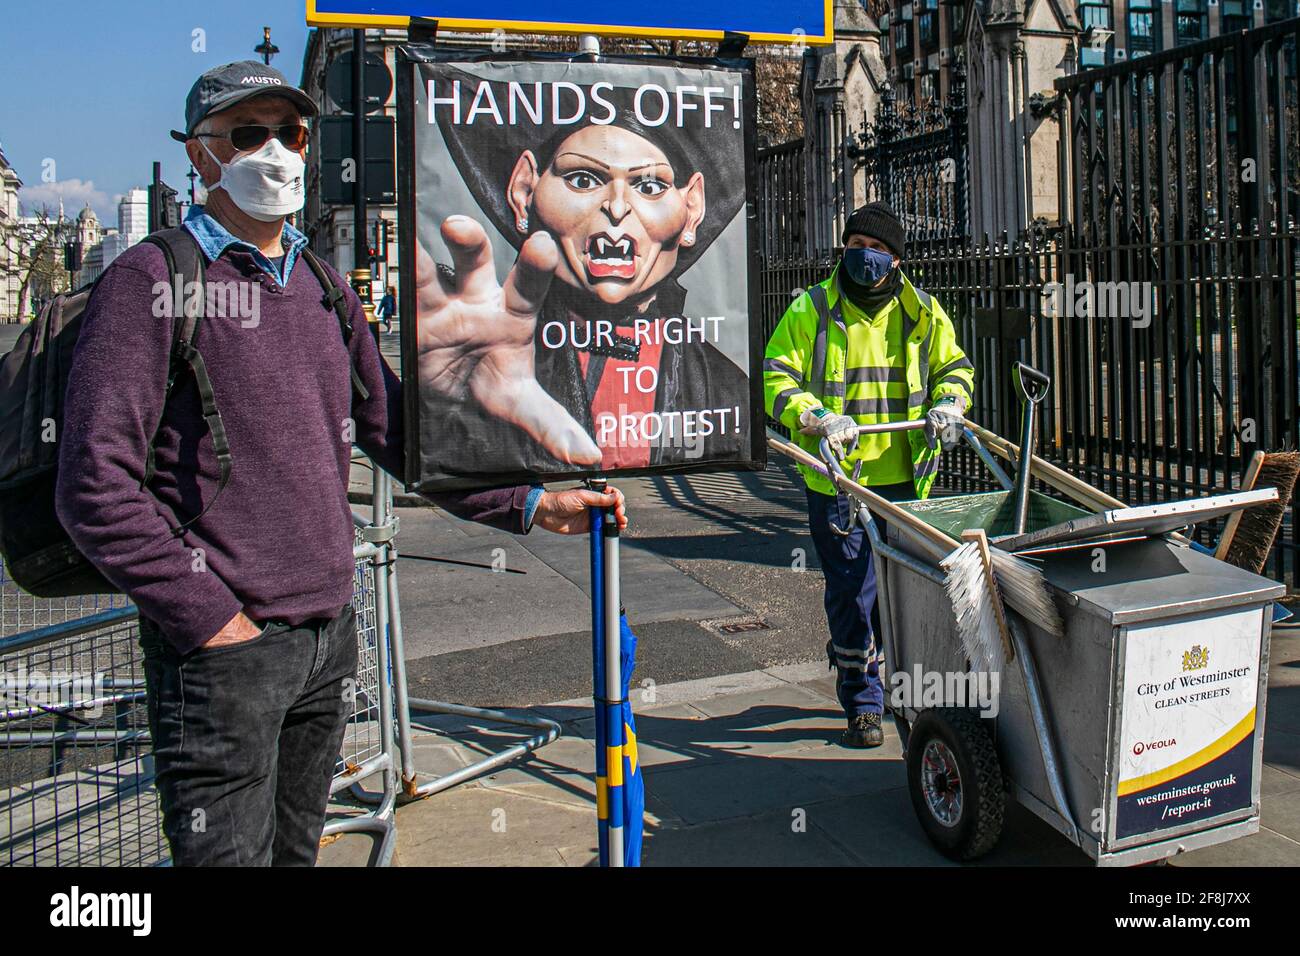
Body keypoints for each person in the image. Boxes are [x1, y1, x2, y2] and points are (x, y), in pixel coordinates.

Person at [53, 61, 627, 866]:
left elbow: (394, 431)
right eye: (246, 134)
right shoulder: (154, 280)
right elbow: (94, 484)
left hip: (327, 642)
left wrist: (529, 505)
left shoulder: (323, 284)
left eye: (289, 133)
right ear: (198, 155)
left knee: (298, 854)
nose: (277, 153)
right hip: (225, 662)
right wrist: (211, 619)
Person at [413, 73, 750, 481]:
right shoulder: (486, 362)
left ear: (690, 209)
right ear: (525, 193)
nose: (617, 207)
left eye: (649, 184)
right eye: (582, 179)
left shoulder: (727, 390)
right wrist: (442, 403)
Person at [763, 202, 974, 748]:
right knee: (854, 591)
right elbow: (776, 376)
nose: (867, 257)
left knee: (902, 594)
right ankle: (862, 698)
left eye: (879, 249)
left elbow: (954, 367)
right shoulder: (812, 308)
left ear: (897, 259)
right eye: (858, 244)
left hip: (907, 480)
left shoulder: (923, 312)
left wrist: (951, 403)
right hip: (839, 482)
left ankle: (895, 680)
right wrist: (814, 417)